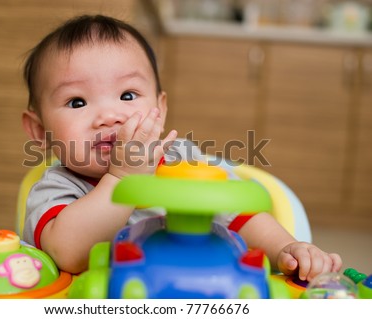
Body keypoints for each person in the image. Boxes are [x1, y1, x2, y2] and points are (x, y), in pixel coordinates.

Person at [21, 14, 342, 280]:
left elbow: (241, 215)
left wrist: (286, 249)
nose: (109, 116)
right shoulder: (55, 188)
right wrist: (122, 178)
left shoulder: (181, 162)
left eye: (128, 95)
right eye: (77, 101)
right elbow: (70, 254)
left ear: (160, 108)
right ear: (40, 131)